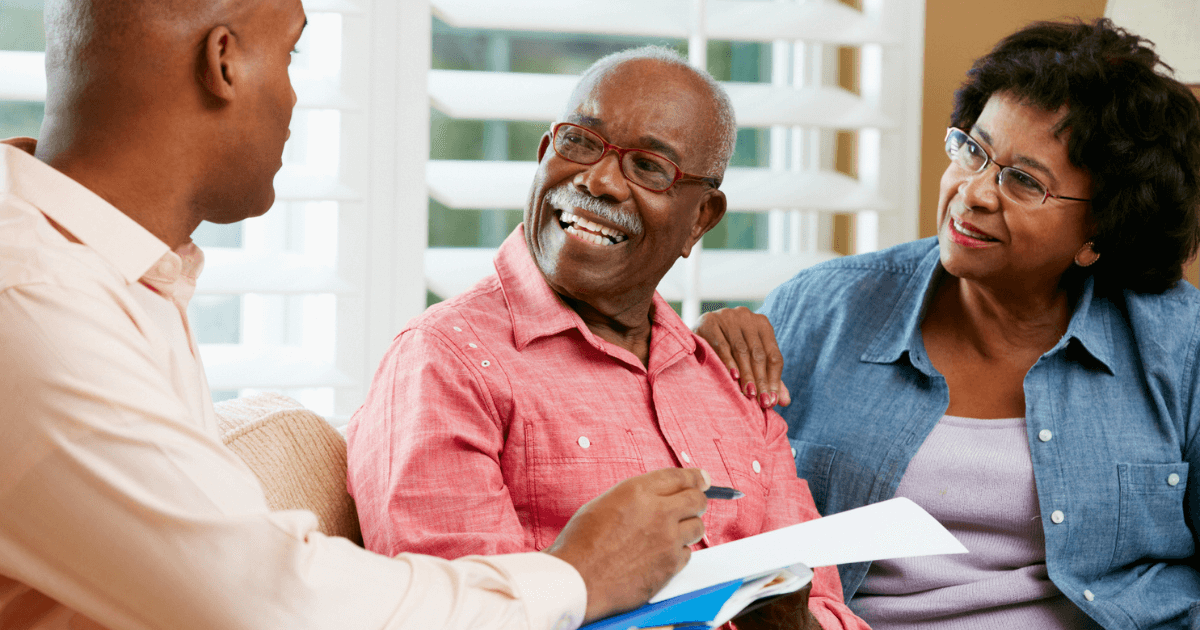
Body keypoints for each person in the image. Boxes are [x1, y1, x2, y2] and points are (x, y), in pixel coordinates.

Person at [0, 1, 715, 628]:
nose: (294, 98)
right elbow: (274, 604)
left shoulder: (110, 273)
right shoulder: (34, 304)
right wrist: (578, 577)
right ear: (223, 62)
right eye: (292, 53)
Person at [695, 18, 1200, 630]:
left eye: (1023, 181)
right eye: (973, 150)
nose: (974, 193)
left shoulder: (1178, 346)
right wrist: (692, 368)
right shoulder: (817, 310)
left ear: (1098, 235)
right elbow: (713, 526)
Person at [345, 47, 867, 630]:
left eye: (649, 167)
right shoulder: (445, 362)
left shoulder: (733, 379)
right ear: (545, 154)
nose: (598, 180)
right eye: (581, 143)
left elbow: (827, 606)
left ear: (700, 219)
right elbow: (453, 618)